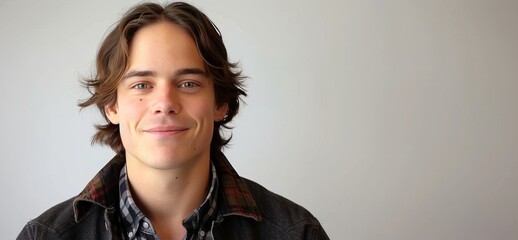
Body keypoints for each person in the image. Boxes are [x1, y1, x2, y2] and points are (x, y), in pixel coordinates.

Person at [17, 2, 329, 240]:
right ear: (111, 106)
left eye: (189, 83)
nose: (165, 103)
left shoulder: (295, 233)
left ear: (221, 102)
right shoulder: (45, 236)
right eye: (142, 85)